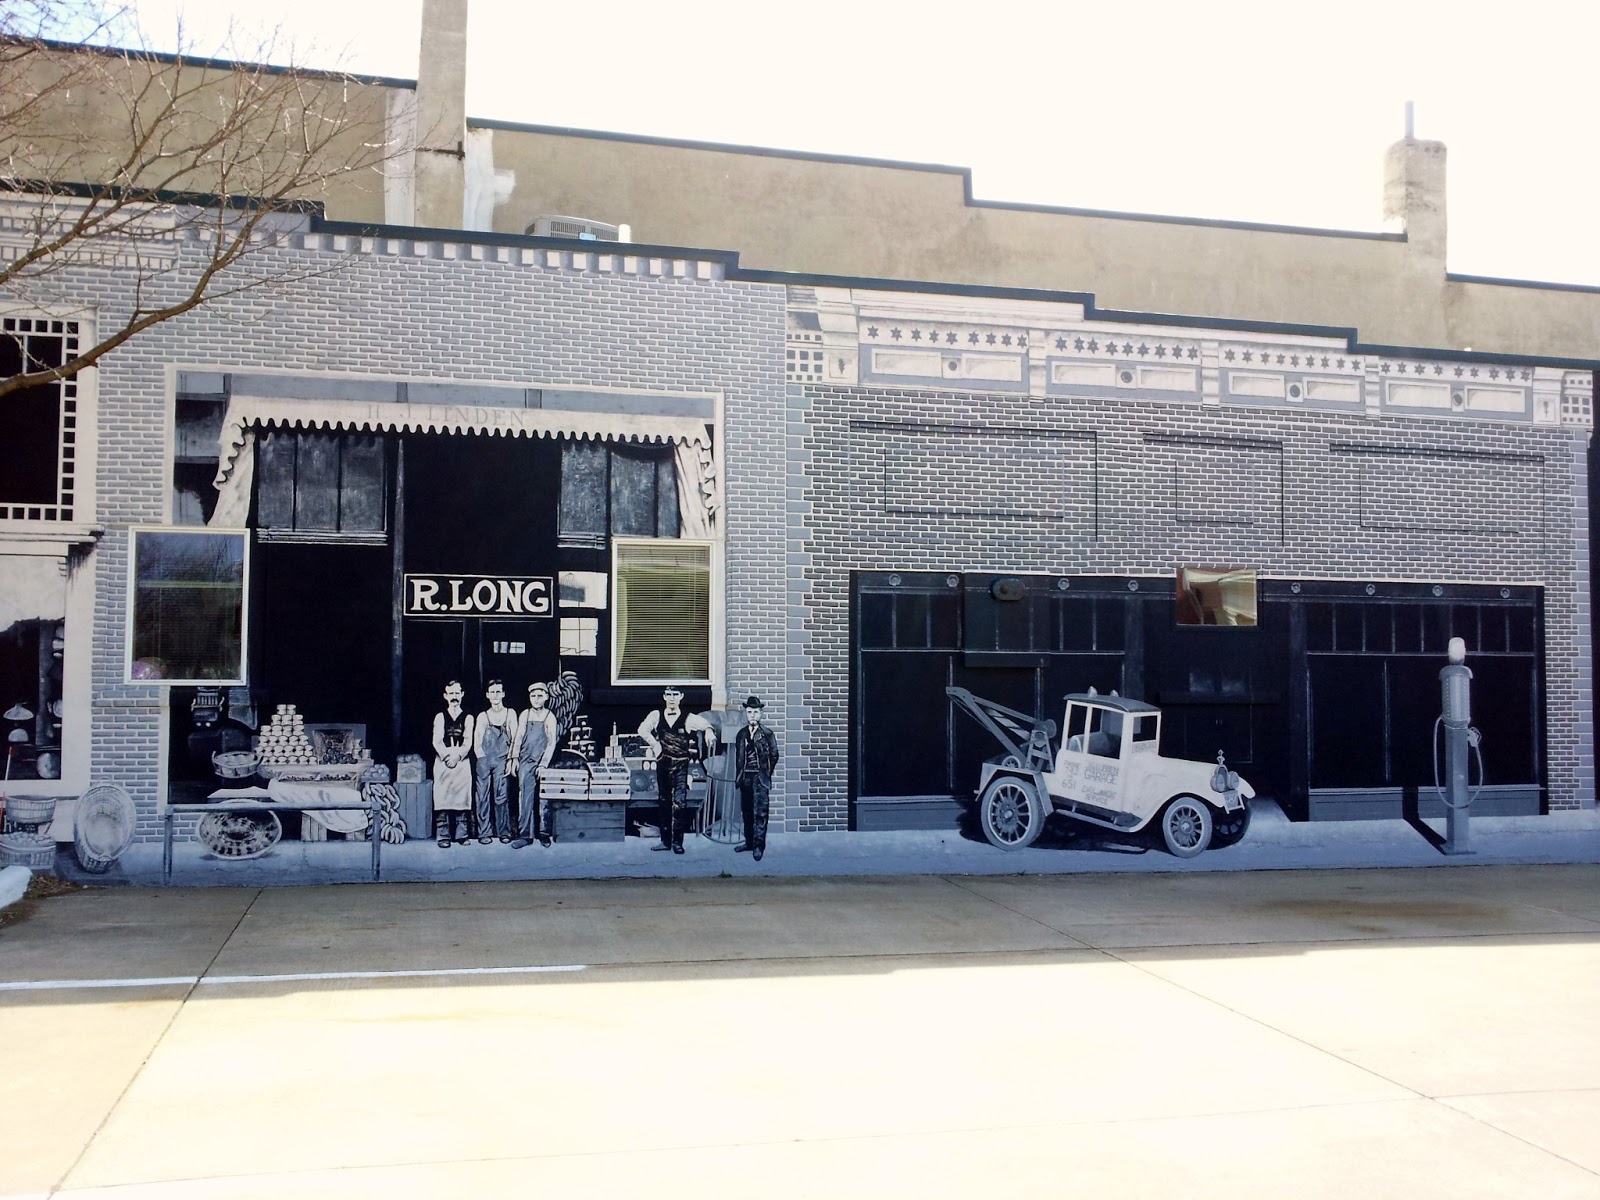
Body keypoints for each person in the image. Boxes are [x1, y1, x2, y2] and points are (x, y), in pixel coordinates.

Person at [637, 686, 714, 854]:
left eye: (675, 695)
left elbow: (706, 725)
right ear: (664, 696)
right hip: (663, 764)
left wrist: (708, 731)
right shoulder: (656, 715)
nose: (672, 698)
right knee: (664, 802)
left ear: (681, 697)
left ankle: (678, 843)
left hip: (681, 766)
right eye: (669, 695)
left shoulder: (689, 718)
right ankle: (665, 842)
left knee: (679, 803)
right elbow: (642, 730)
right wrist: (656, 746)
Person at [510, 681, 559, 848]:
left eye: (539, 696)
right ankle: (525, 835)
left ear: (545, 697)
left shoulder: (549, 716)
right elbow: (518, 737)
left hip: (542, 762)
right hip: (525, 761)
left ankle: (544, 833)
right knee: (525, 797)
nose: (536, 699)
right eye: (533, 696)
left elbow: (551, 742)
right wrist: (515, 758)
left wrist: (543, 764)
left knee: (544, 798)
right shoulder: (525, 714)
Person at [733, 696, 780, 861]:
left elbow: (774, 755)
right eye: (749, 712)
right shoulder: (741, 734)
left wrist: (765, 773)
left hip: (760, 778)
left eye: (756, 712)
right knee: (746, 812)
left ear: (761, 714)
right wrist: (740, 774)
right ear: (746, 713)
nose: (752, 715)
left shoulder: (767, 734)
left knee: (760, 813)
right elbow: (738, 757)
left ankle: (759, 847)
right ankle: (749, 842)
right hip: (745, 777)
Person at [473, 679, 518, 844]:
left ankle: (503, 832)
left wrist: (511, 759)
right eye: (492, 692)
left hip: (502, 760)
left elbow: (515, 740)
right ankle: (484, 833)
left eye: (498, 691)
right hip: (484, 759)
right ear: (487, 695)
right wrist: (482, 760)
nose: (495, 695)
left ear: (503, 694)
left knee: (502, 796)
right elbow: (477, 742)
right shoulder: (483, 716)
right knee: (482, 796)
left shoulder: (510, 714)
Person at [431, 680, 474, 847]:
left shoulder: (469, 717)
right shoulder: (440, 716)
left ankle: (462, 835)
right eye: (451, 694)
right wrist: (446, 756)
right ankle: (443, 836)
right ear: (445, 696)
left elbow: (468, 741)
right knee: (443, 797)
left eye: (457, 693)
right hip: (443, 761)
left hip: (461, 762)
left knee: (461, 799)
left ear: (462, 694)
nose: (454, 697)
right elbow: (436, 740)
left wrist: (458, 756)